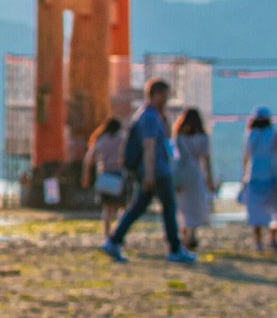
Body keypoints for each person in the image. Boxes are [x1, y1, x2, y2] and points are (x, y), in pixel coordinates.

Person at [98, 78, 196, 264]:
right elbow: (149, 145)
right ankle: (175, 248)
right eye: (164, 96)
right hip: (156, 170)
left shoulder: (146, 115)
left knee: (138, 207)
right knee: (168, 207)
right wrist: (150, 174)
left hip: (151, 170)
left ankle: (114, 240)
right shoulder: (150, 117)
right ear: (156, 95)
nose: (166, 100)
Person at [240, 106, 277, 251]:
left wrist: (244, 177)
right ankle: (272, 238)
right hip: (271, 175)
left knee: (256, 211)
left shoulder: (250, 135)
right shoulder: (273, 134)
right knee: (275, 209)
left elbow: (246, 157)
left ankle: (258, 242)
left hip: (254, 175)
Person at [172, 108, 215, 251]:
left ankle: (184, 234)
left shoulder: (179, 136)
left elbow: (174, 156)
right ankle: (191, 235)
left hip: (180, 172)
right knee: (194, 205)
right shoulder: (203, 137)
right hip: (195, 173)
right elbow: (206, 161)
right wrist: (210, 180)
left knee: (182, 204)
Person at [81, 116, 125, 239]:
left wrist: (86, 175)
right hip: (118, 175)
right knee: (122, 206)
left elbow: (89, 158)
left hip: (104, 176)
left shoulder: (101, 140)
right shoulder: (122, 139)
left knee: (107, 208)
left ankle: (107, 233)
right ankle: (118, 232)